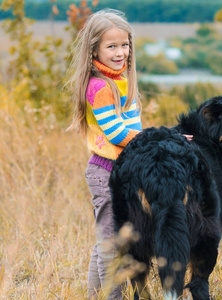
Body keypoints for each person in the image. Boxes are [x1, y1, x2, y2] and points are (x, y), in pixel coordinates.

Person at [66, 9, 141, 299]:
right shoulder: (101, 87)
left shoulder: (124, 81)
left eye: (124, 45)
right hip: (105, 172)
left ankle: (95, 296)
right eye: (111, 46)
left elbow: (133, 127)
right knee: (111, 246)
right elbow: (119, 135)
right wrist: (158, 138)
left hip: (123, 172)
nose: (120, 52)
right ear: (94, 48)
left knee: (107, 243)